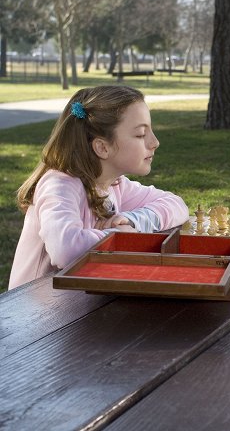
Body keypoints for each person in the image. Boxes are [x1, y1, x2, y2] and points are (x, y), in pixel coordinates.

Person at [9, 86, 189, 289]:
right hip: (35, 314)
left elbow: (177, 205)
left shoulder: (114, 184)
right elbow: (65, 250)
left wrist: (133, 221)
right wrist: (117, 235)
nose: (155, 142)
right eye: (140, 134)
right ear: (103, 147)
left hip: (80, 303)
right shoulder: (59, 185)